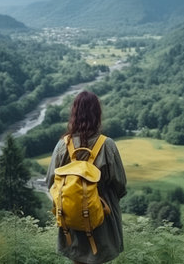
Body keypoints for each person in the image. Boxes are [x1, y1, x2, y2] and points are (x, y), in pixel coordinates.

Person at [46, 91, 127, 264]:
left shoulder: (63, 145)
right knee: (99, 257)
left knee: (77, 258)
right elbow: (120, 184)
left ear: (74, 114)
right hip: (102, 216)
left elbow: (50, 182)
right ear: (97, 114)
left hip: (71, 217)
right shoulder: (107, 145)